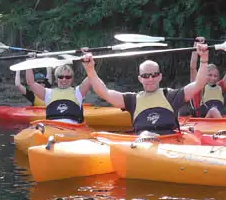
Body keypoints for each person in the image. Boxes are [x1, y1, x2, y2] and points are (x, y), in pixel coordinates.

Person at [81, 42, 210, 134]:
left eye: (154, 75)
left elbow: (199, 84)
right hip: (143, 145)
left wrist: (204, 60)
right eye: (146, 76)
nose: (150, 79)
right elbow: (105, 93)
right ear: (140, 78)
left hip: (170, 143)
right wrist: (90, 69)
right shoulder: (132, 100)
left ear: (160, 76)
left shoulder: (170, 95)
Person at [187, 37, 226, 118]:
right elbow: (193, 67)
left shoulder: (220, 86)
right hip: (204, 120)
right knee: (213, 110)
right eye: (210, 75)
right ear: (204, 75)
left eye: (215, 76)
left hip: (216, 120)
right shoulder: (198, 87)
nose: (213, 78)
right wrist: (196, 45)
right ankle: (224, 127)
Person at [25, 64, 92, 124]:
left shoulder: (78, 92)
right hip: (52, 129)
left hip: (73, 129)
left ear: (72, 79)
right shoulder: (48, 93)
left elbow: (91, 76)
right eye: (60, 77)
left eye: (68, 77)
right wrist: (29, 63)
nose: (64, 79)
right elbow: (30, 82)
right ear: (56, 78)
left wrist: (88, 61)